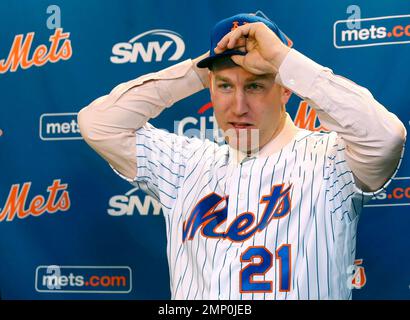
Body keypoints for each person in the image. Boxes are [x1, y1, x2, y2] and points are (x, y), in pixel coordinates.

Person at [78, 13, 406, 299]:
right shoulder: (186, 164)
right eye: (223, 86)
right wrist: (200, 68)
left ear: (286, 89)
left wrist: (282, 59)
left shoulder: (330, 161)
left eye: (254, 86)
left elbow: (386, 138)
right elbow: (98, 124)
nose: (237, 107)